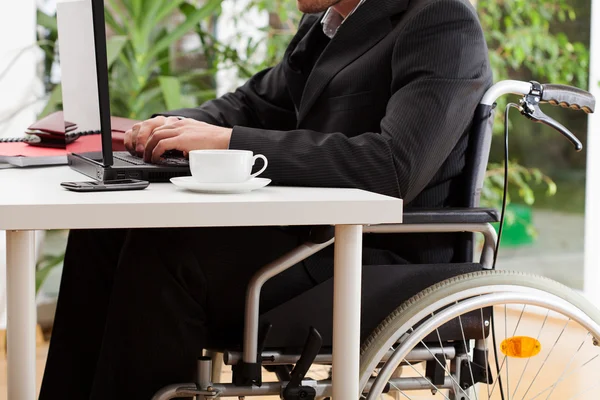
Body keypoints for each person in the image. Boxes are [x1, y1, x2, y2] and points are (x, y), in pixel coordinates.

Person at [40, 0, 492, 398]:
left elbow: (393, 167)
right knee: (103, 232)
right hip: (317, 237)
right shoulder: (328, 23)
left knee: (164, 256)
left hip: (377, 256)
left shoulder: (441, 21)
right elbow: (253, 104)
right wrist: (171, 126)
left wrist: (229, 142)